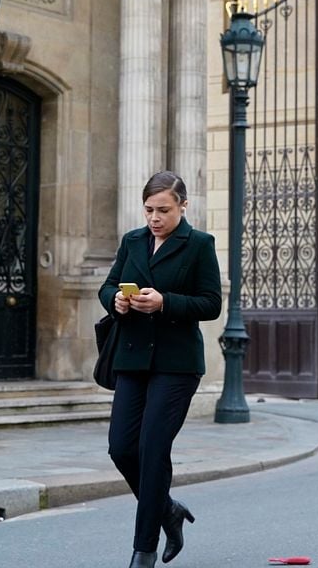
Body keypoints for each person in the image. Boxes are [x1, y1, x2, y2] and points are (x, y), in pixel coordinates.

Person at [99, 171, 222, 568]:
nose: (154, 218)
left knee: (153, 450)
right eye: (149, 209)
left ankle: (143, 550)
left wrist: (165, 302)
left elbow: (211, 303)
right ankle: (167, 509)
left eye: (164, 210)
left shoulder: (199, 245)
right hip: (132, 359)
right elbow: (108, 286)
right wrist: (117, 301)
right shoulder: (132, 241)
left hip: (176, 363)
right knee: (121, 447)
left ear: (183, 206)